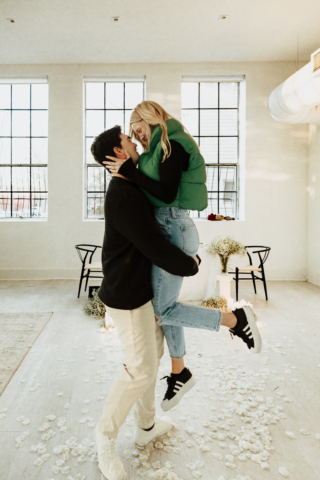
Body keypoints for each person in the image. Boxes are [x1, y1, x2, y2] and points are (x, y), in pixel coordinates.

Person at [103, 101, 261, 413]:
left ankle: (234, 319)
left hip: (173, 224)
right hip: (170, 225)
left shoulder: (173, 145)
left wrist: (129, 171)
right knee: (166, 307)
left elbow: (163, 193)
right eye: (132, 135)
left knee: (164, 309)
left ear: (151, 120)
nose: (137, 138)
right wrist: (131, 167)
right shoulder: (157, 149)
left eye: (139, 131)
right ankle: (179, 371)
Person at [90, 126, 201, 480]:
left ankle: (147, 426)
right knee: (139, 368)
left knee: (149, 365)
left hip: (141, 291)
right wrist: (190, 265)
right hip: (127, 297)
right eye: (128, 140)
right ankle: (105, 435)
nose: (135, 141)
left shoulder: (130, 183)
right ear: (119, 153)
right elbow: (154, 244)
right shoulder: (124, 194)